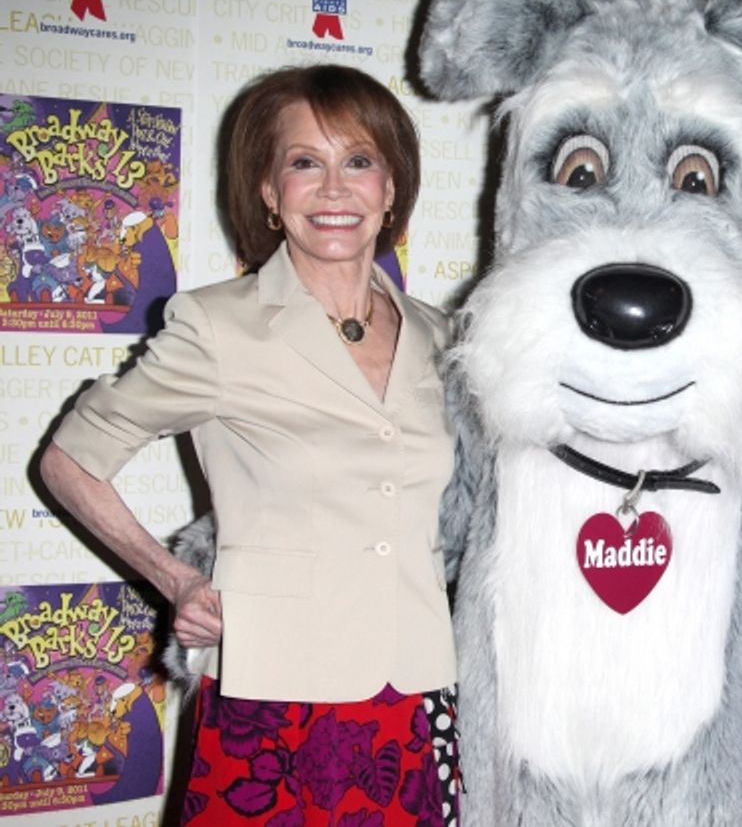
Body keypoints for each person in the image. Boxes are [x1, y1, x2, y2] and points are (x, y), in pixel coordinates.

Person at [39, 64, 460, 825]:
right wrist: (177, 582)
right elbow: (69, 463)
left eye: (359, 160)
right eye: (305, 162)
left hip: (419, 688)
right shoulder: (216, 326)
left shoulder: (443, 336)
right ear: (269, 192)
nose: (335, 189)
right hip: (278, 700)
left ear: (391, 188)